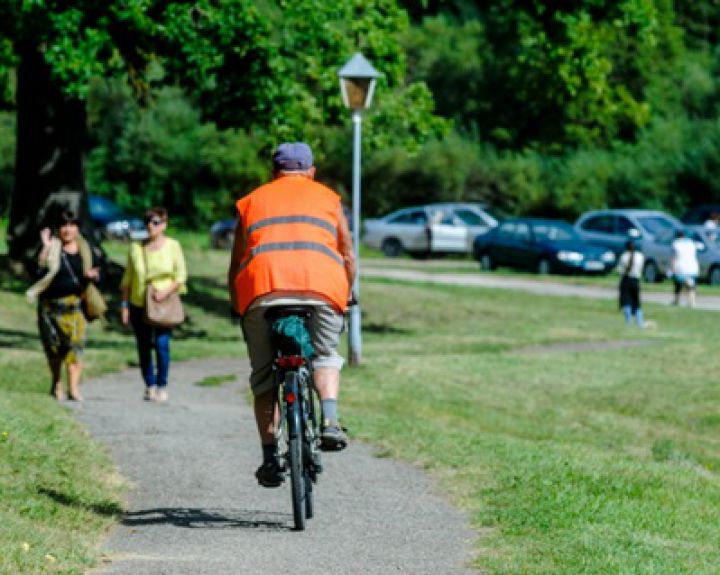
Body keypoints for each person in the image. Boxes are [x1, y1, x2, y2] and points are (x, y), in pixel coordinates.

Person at [228, 141, 355, 488]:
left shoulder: (252, 201)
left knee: (264, 376)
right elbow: (347, 254)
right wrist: (348, 292)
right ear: (311, 172)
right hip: (322, 288)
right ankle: (329, 420)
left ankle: (270, 458)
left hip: (262, 289)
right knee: (326, 355)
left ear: (274, 173)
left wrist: (236, 302)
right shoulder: (329, 199)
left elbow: (238, 259)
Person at [26, 211, 101, 400]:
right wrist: (45, 248)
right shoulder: (51, 247)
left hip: (75, 306)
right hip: (50, 308)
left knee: (76, 347)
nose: (67, 230)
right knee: (53, 349)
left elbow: (100, 273)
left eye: (72, 225)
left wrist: (94, 276)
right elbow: (37, 273)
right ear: (58, 229)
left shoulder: (86, 249)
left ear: (77, 228)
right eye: (63, 226)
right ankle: (57, 382)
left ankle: (74, 388)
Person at [120, 207, 187, 402]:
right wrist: (124, 305)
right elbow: (127, 279)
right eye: (148, 222)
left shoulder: (173, 246)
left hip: (164, 304)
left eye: (156, 222)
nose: (151, 226)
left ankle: (162, 384)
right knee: (143, 345)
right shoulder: (136, 248)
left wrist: (165, 291)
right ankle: (149, 384)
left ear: (164, 225)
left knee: (161, 344)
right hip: (139, 303)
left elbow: (181, 275)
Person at [617, 240, 644, 327]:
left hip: (626, 279)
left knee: (626, 301)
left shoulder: (624, 256)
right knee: (636, 301)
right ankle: (639, 322)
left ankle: (628, 322)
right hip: (635, 280)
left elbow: (620, 270)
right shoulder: (640, 256)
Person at [671, 229, 699, 307]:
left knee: (678, 284)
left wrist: (673, 268)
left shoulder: (676, 243)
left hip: (681, 266)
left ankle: (676, 300)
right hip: (693, 266)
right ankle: (692, 301)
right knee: (691, 285)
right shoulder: (691, 243)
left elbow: (674, 257)